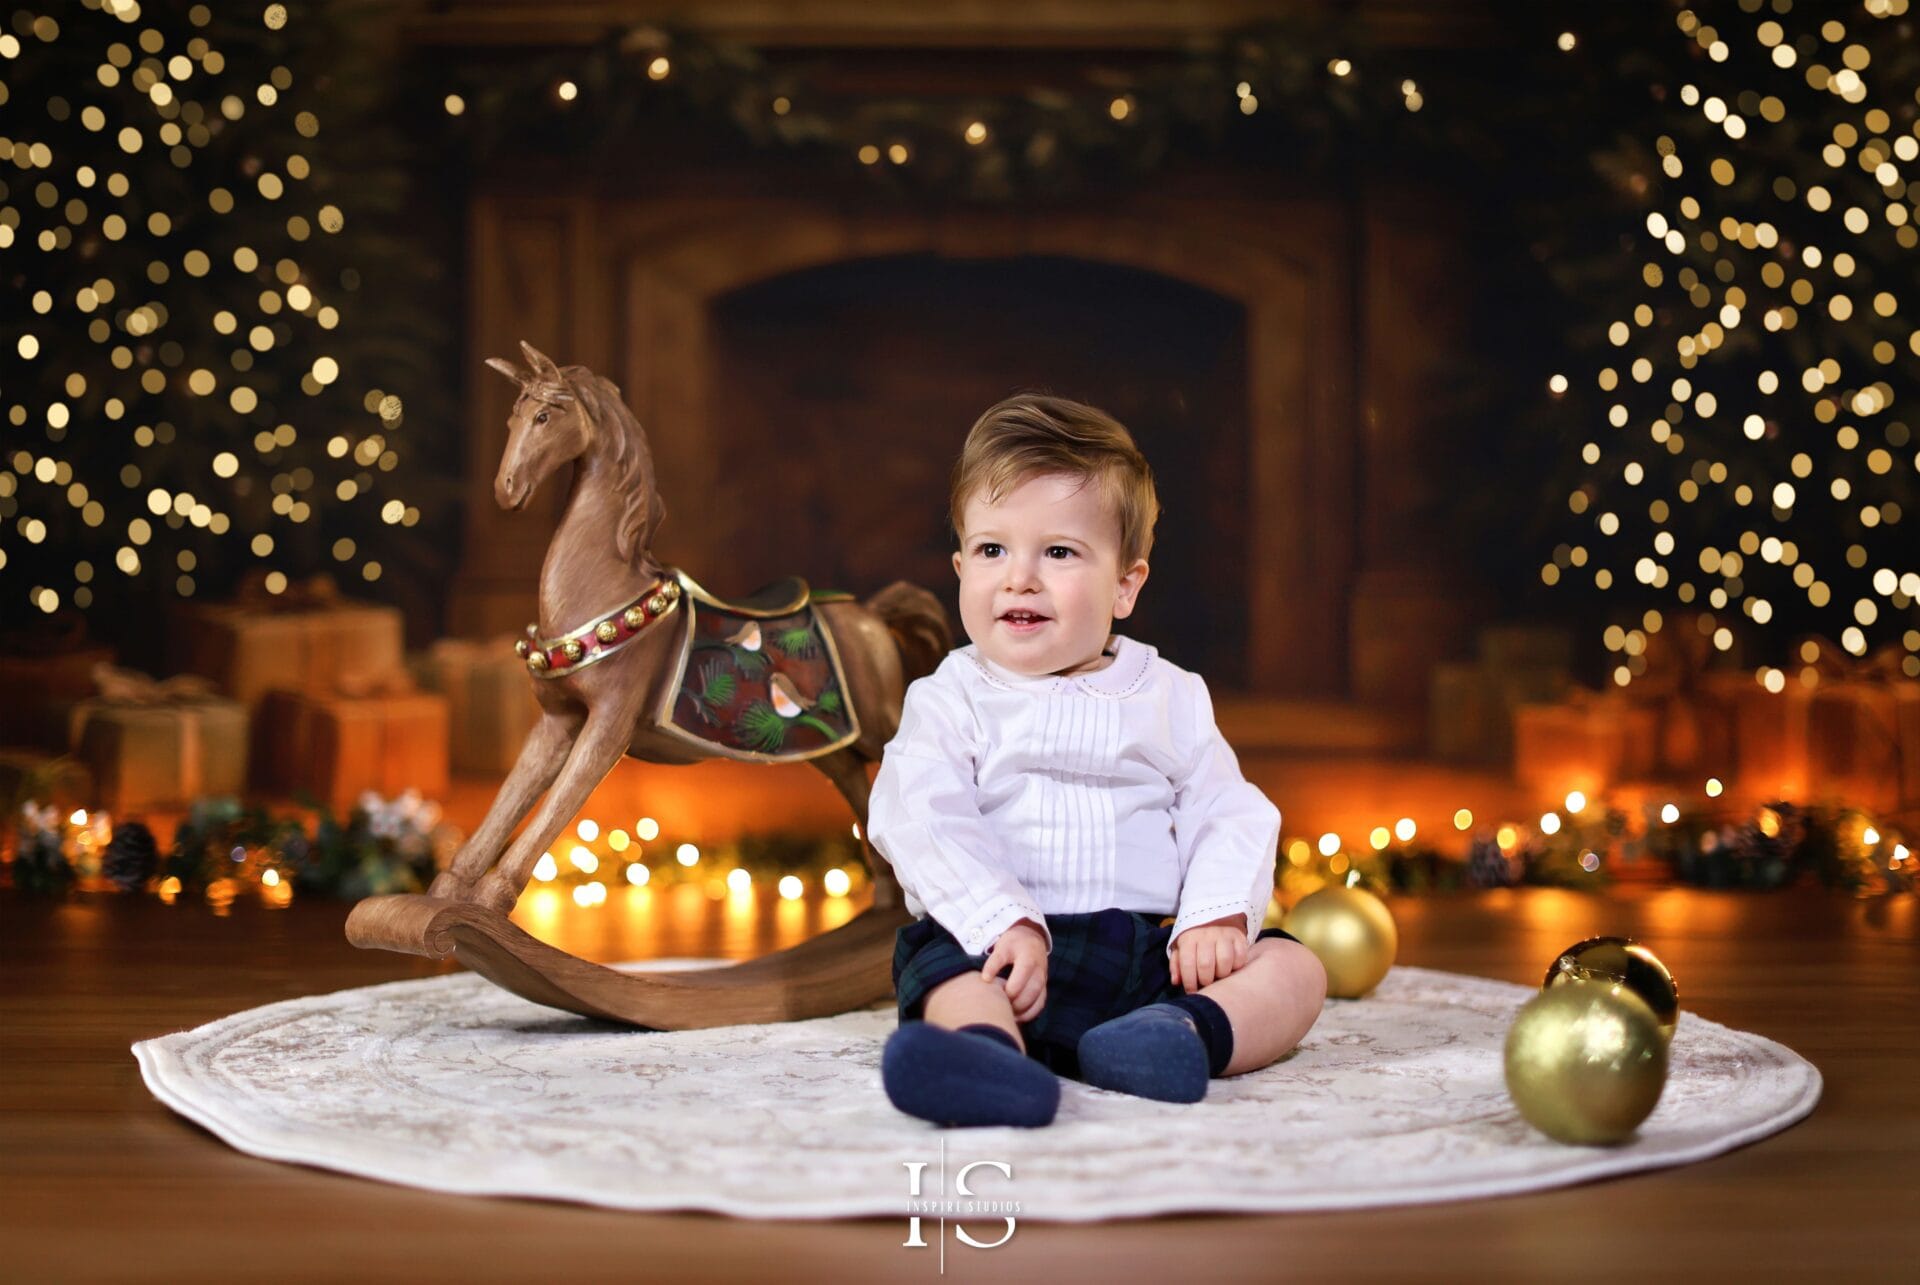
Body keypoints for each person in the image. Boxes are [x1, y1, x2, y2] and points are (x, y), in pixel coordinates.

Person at [869, 393, 1329, 1128]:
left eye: (1058, 551)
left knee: (1296, 969)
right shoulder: (952, 695)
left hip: (1146, 957)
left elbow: (1227, 810)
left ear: (1126, 583)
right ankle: (987, 1056)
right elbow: (920, 812)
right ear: (959, 568)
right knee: (942, 967)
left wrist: (1213, 918)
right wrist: (1000, 921)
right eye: (992, 550)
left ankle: (1181, 1035)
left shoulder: (1167, 693)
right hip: (1003, 954)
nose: (1019, 576)